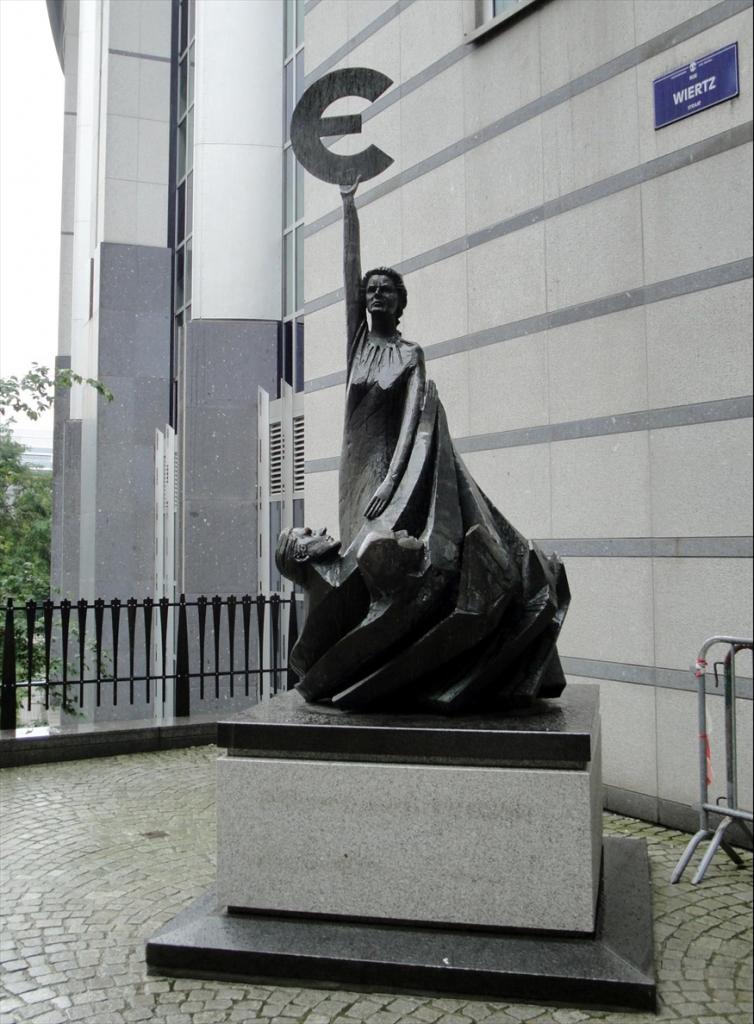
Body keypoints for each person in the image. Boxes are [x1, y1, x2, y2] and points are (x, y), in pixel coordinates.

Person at [338, 178, 426, 551]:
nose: (376, 294)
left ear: (399, 301)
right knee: (352, 550)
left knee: (378, 550)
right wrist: (348, 205)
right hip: (353, 467)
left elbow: (411, 425)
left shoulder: (410, 354)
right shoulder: (358, 342)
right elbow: (350, 266)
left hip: (387, 466)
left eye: (385, 289)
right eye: (371, 289)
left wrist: (391, 481)